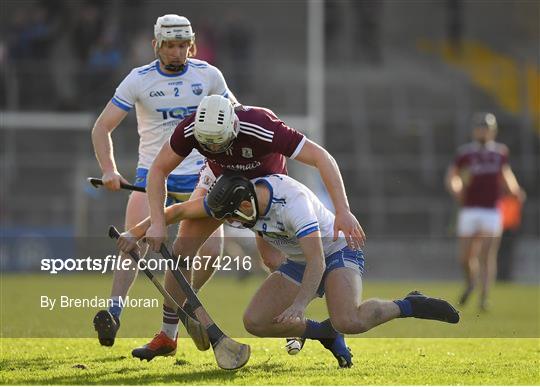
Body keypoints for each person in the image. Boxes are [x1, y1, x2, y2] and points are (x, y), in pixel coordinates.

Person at [117, 173, 460, 368]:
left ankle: (410, 305)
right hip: (299, 261)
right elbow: (178, 211)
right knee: (255, 322)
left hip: (336, 251)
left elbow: (318, 263)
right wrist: (137, 231)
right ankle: (324, 334)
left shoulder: (292, 205)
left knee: (348, 319)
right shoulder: (234, 199)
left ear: (247, 205)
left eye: (234, 218)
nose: (232, 224)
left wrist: (298, 307)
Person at [135, 94, 366, 361]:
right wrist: (156, 221)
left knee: (272, 259)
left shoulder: (260, 125)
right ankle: (167, 334)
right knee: (182, 248)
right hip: (219, 184)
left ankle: (309, 326)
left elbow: (321, 158)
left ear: (233, 128)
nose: (217, 151)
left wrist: (343, 210)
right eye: (209, 147)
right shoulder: (190, 129)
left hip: (263, 189)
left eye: (221, 145)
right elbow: (158, 170)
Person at [91, 14, 237, 347]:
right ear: (156, 45)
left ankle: (181, 305)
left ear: (192, 44)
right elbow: (102, 128)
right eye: (169, 45)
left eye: (182, 45)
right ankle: (113, 313)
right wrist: (109, 169)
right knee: (133, 244)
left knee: (212, 250)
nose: (176, 52)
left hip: (201, 178)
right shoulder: (138, 79)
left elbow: (235, 114)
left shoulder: (209, 75)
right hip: (151, 176)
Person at [445, 112, 525, 311]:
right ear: (475, 130)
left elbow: (505, 174)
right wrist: (455, 188)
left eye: (486, 127)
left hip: (491, 210)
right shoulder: (465, 153)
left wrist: (514, 190)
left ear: (492, 131)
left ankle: (484, 297)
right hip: (470, 209)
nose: (483, 131)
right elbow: (452, 175)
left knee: (487, 254)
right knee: (465, 257)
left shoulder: (499, 153)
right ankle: (471, 282)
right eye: (480, 127)